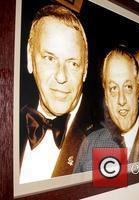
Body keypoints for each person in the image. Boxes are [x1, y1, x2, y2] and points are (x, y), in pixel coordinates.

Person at [19, 5, 95, 183]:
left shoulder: (109, 142)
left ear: (85, 70)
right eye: (50, 58)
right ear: (30, 58)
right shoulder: (9, 121)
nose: (61, 76)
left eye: (73, 63)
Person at [74, 48, 139, 173]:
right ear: (106, 97)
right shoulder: (89, 145)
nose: (121, 100)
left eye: (128, 87)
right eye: (113, 89)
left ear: (138, 91)